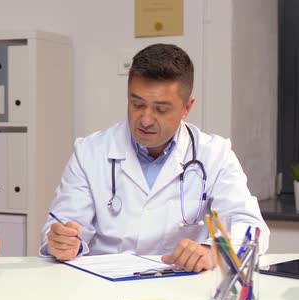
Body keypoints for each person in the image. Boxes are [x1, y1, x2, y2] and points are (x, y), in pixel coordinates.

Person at [40, 43, 269, 272]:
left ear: (186, 108)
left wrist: (213, 251)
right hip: (106, 287)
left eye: (161, 109)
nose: (146, 120)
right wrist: (63, 242)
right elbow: (64, 226)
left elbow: (251, 228)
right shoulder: (89, 153)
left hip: (181, 287)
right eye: (137, 104)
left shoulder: (215, 155)